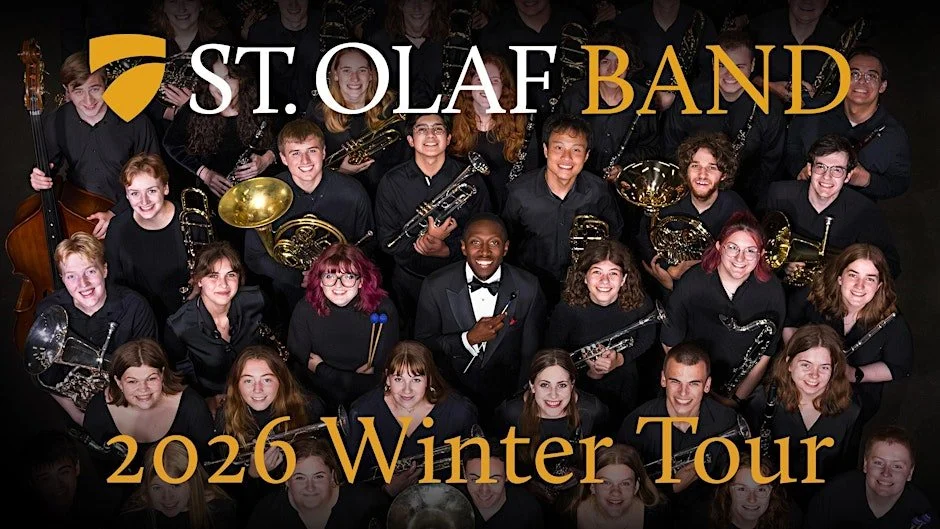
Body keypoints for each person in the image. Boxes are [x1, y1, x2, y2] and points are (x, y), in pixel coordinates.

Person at [415, 213, 546, 430]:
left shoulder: (528, 287)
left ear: (505, 248)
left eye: (494, 243)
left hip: (508, 401)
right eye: (476, 243)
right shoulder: (435, 285)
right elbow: (423, 345)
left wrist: (520, 398)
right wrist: (467, 339)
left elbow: (530, 352)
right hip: (449, 398)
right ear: (463, 247)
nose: (484, 252)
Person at [243, 119, 375, 320]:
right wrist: (295, 277)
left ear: (323, 153)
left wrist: (336, 273)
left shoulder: (353, 192)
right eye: (295, 153)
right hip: (290, 292)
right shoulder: (265, 196)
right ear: (283, 158)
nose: (305, 161)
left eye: (312, 151)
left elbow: (369, 244)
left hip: (344, 289)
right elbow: (253, 256)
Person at [375, 113, 492, 336]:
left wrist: (446, 249)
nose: (430, 135)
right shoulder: (391, 182)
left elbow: (486, 232)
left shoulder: (472, 180)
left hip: (457, 278)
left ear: (448, 138)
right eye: (421, 129)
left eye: (438, 129)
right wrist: (423, 243)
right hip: (408, 282)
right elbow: (387, 242)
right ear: (410, 140)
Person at [29, 50, 160, 237]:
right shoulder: (56, 120)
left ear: (106, 84)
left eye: (95, 89)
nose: (88, 100)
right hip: (80, 215)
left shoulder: (136, 120)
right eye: (79, 91)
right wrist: (39, 178)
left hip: (132, 211)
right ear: (67, 91)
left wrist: (116, 213)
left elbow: (154, 174)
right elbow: (49, 167)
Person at [660, 211, 785, 404]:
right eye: (733, 247)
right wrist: (695, 387)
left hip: (739, 389)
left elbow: (765, 354)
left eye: (750, 250)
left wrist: (736, 399)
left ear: (760, 254)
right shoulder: (692, 282)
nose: (740, 258)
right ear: (719, 247)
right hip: (691, 385)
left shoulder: (772, 290)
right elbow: (670, 342)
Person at [783, 243, 912, 430]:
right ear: (840, 277)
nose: (860, 286)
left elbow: (899, 366)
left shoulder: (891, 320)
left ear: (879, 286)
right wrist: (798, 360)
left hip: (850, 404)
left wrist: (855, 374)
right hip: (799, 389)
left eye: (870, 279)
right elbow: (789, 322)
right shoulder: (814, 294)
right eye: (853, 275)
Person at [34, 232, 158, 425]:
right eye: (71, 276)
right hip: (76, 413)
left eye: (90, 271)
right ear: (62, 278)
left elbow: (149, 370)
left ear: (105, 270)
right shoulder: (49, 313)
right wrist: (79, 417)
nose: (83, 284)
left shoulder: (135, 307)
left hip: (134, 407)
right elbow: (44, 376)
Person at [501, 113, 624, 306]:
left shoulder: (598, 190)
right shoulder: (519, 192)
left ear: (587, 155)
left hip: (582, 287)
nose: (567, 158)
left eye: (576, 150)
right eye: (559, 148)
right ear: (546, 150)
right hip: (531, 285)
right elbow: (507, 242)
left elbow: (614, 236)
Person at [616, 343, 742, 527]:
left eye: (693, 383)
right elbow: (619, 491)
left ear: (707, 385)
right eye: (675, 381)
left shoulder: (727, 421)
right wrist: (670, 488)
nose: (683, 393)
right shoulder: (635, 424)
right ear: (663, 380)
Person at [660, 30, 786, 208]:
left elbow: (771, 167)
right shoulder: (689, 98)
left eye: (739, 66)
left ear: (752, 65)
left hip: (747, 201)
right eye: (722, 65)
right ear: (713, 63)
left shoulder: (770, 108)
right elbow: (671, 150)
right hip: (692, 197)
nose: (730, 74)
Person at [743, 324, 860, 509]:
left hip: (820, 507)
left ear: (834, 369)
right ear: (789, 363)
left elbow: (845, 471)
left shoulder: (850, 412)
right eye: (805, 365)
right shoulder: (762, 401)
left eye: (824, 367)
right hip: (765, 505)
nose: (814, 375)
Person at [760, 133, 902, 281]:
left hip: (834, 293)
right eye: (821, 167)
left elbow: (891, 266)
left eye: (837, 170)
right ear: (809, 169)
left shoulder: (864, 212)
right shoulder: (778, 194)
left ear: (847, 176)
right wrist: (784, 265)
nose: (826, 177)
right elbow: (756, 243)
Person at [544, 240, 658, 424]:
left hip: (624, 384)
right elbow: (552, 351)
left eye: (613, 273)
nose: (605, 281)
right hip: (577, 386)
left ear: (623, 279)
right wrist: (589, 372)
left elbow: (647, 338)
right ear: (584, 277)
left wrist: (620, 359)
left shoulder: (640, 303)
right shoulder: (567, 308)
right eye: (597, 272)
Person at [345, 341, 478, 497]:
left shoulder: (459, 412)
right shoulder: (362, 412)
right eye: (398, 379)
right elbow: (354, 481)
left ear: (429, 379)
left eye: (416, 380)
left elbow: (473, 470)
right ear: (387, 378)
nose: (406, 390)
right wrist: (386, 492)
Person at [784, 46, 912, 201]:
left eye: (871, 76)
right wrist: (801, 170)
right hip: (804, 201)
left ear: (882, 86)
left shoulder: (894, 134)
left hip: (854, 216)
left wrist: (867, 180)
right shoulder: (814, 110)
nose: (861, 82)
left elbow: (900, 182)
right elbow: (791, 147)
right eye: (854, 74)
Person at [214, 345, 327, 517]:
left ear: (281, 381)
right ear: (237, 385)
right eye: (248, 380)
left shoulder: (310, 408)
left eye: (266, 380)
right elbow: (229, 493)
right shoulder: (226, 417)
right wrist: (252, 475)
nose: (257, 389)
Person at [494, 349, 608, 514]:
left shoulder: (592, 411)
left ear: (572, 385)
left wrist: (581, 475)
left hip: (577, 498)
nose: (553, 395)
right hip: (525, 499)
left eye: (561, 385)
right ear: (532, 386)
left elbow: (604, 456)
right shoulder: (510, 412)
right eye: (544, 385)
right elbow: (498, 460)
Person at [289, 243, 399, 410]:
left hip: (369, 399)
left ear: (361, 281)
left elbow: (382, 376)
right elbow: (299, 371)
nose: (338, 285)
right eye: (329, 276)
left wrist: (321, 370)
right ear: (320, 281)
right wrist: (355, 380)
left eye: (348, 276)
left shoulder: (383, 309)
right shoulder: (304, 309)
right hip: (320, 399)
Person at [637, 132, 750, 292]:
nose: (702, 175)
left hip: (714, 291)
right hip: (664, 290)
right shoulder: (665, 199)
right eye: (695, 166)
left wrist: (695, 270)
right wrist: (668, 269)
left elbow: (745, 258)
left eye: (712, 167)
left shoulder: (736, 208)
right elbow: (644, 240)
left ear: (723, 175)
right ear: (685, 171)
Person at [164, 241, 269, 413]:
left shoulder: (258, 300)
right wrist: (205, 401)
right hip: (214, 403)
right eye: (213, 276)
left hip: (261, 393)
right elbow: (180, 375)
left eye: (231, 275)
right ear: (198, 280)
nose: (223, 284)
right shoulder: (178, 327)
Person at [82, 339, 215, 472]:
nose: (143, 389)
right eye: (132, 381)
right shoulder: (99, 409)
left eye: (151, 379)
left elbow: (206, 465)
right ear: (118, 382)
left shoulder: (191, 405)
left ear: (162, 374)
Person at [163, 47, 277, 201]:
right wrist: (205, 173)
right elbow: (171, 143)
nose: (221, 86)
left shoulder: (261, 102)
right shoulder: (195, 107)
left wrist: (267, 159)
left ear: (240, 78)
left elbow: (287, 134)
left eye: (228, 78)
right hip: (215, 196)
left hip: (259, 192)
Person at [105, 153, 194, 330]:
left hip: (191, 316)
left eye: (152, 191)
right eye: (134, 193)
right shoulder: (117, 228)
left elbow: (211, 266)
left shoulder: (190, 219)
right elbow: (115, 285)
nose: (144, 201)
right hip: (142, 320)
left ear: (165, 188)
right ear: (127, 195)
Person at [558, 24, 658, 181]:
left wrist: (624, 167)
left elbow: (652, 148)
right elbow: (557, 144)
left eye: (620, 61)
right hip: (578, 185)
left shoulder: (644, 99)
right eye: (605, 62)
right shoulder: (574, 96)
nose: (613, 70)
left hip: (626, 186)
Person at [303, 45, 406, 198]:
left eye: (362, 70)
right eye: (346, 70)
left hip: (388, 193)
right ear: (336, 75)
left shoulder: (392, 106)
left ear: (371, 74)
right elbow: (305, 162)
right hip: (339, 195)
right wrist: (342, 173)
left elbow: (406, 156)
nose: (355, 78)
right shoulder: (318, 111)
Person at [448, 52, 538, 211]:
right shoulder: (450, 123)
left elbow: (531, 178)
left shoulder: (522, 126)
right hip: (463, 211)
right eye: (480, 80)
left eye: (494, 81)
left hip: (507, 211)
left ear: (504, 87)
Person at [804, 425, 938, 529]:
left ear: (910, 473)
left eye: (897, 466)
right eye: (878, 463)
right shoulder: (832, 496)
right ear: (865, 465)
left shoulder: (922, 512)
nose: (886, 473)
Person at [246, 437, 390, 529]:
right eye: (299, 478)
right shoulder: (266, 514)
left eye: (318, 477)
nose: (310, 487)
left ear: (333, 477)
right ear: (287, 481)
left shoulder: (366, 503)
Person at [611, 0, 719, 110]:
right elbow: (612, 70)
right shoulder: (626, 21)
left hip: (687, 112)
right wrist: (648, 95)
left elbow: (711, 73)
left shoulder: (701, 22)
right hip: (634, 108)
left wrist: (682, 97)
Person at [115, 441, 237, 529]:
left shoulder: (220, 513)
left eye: (176, 485)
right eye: (157, 488)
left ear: (192, 483)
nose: (167, 497)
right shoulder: (132, 518)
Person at [748, 0, 847, 105]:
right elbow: (739, 71)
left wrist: (819, 97)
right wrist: (768, 86)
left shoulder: (841, 37)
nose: (808, 2)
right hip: (763, 113)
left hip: (818, 116)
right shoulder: (761, 27)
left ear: (826, 2)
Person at [23, 430, 122, 528]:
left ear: (77, 468)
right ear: (32, 482)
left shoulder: (104, 512)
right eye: (45, 479)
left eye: (64, 472)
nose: (57, 485)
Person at [367, 0, 448, 110]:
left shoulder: (449, 42)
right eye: (410, 1)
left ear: (433, 4)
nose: (417, 7)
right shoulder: (379, 42)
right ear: (400, 4)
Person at [245, 0, 323, 113]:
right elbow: (251, 83)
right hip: (276, 118)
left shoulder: (327, 27)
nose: (293, 4)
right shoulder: (259, 33)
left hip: (322, 115)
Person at [574, 444, 671, 529]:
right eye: (606, 482)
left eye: (625, 483)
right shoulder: (570, 515)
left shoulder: (656, 516)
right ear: (592, 486)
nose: (616, 492)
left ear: (636, 486)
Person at [458, 442, 545, 529]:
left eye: (494, 480)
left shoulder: (529, 509)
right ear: (464, 473)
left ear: (507, 475)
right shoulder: (448, 503)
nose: (484, 490)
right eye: (475, 479)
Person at [708, 453, 799, 529]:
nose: (752, 499)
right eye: (742, 489)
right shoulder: (702, 522)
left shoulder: (789, 522)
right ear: (727, 490)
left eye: (761, 489)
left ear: (772, 493)